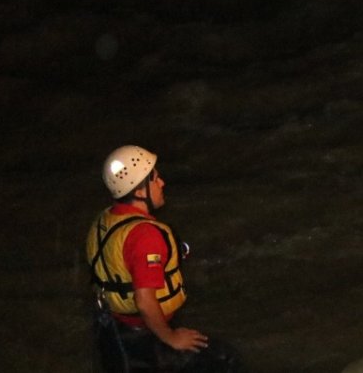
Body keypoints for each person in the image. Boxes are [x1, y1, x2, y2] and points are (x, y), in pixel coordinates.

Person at [85, 145, 244, 373]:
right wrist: (171, 337)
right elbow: (144, 301)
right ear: (140, 192)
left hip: (112, 331)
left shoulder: (105, 219)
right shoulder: (145, 236)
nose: (162, 183)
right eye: (155, 178)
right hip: (142, 337)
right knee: (225, 360)